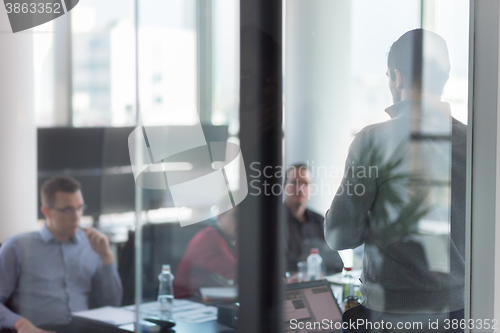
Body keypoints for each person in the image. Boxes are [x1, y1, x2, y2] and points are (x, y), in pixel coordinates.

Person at [324, 29, 466, 332]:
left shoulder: (373, 140)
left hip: (393, 315)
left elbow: (339, 236)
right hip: (462, 312)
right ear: (444, 78)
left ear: (396, 77)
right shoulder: (475, 142)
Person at [0, 177, 123, 333]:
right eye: (67, 209)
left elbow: (112, 304)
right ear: (46, 211)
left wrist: (106, 257)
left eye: (80, 208)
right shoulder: (17, 247)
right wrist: (20, 323)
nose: (76, 216)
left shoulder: (92, 245)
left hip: (85, 328)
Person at [284, 164, 343, 275]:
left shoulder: (319, 221)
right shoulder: (274, 222)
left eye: (305, 183)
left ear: (311, 189)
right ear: (284, 186)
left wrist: (319, 274)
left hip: (316, 287)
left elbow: (337, 265)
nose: (300, 188)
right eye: (294, 182)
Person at [174, 208, 238, 298]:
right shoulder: (207, 239)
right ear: (220, 217)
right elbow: (239, 272)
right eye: (235, 216)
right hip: (189, 301)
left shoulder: (234, 240)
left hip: (213, 299)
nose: (242, 221)